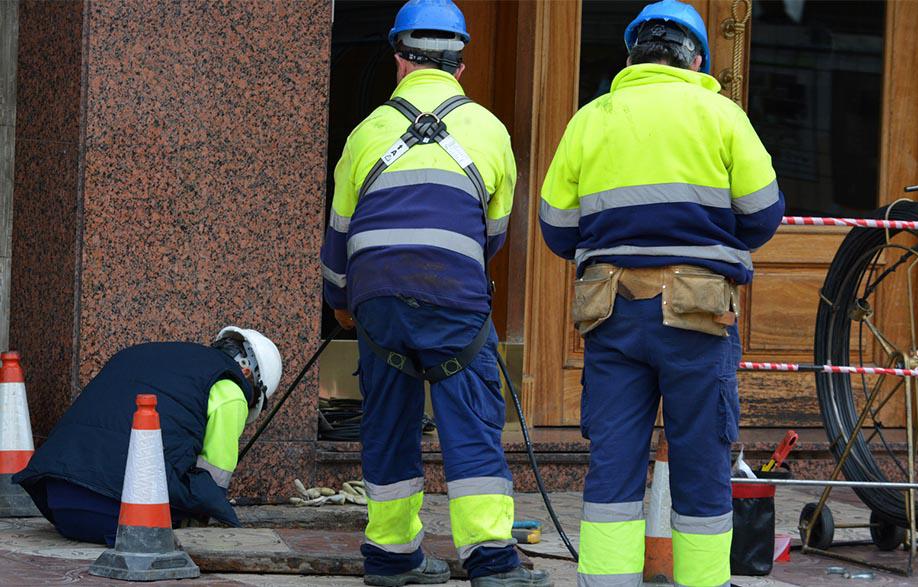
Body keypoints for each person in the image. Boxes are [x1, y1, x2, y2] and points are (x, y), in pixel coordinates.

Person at [538, 1, 784, 585]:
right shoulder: (722, 116)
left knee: (613, 464)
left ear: (633, 55)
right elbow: (763, 214)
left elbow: (556, 227)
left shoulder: (590, 119)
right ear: (694, 58)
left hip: (611, 311)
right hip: (698, 312)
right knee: (701, 464)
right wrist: (709, 235)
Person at [320, 1, 550, 585]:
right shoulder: (490, 131)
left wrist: (345, 306)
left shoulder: (366, 132)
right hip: (454, 298)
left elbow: (339, 237)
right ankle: (492, 562)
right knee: (471, 424)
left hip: (377, 303)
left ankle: (391, 558)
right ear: (461, 66)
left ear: (398, 59)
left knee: (388, 424)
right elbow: (491, 234)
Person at [14, 326, 281, 546]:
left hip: (60, 503)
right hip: (120, 513)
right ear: (247, 373)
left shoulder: (139, 354)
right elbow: (213, 480)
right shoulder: (231, 389)